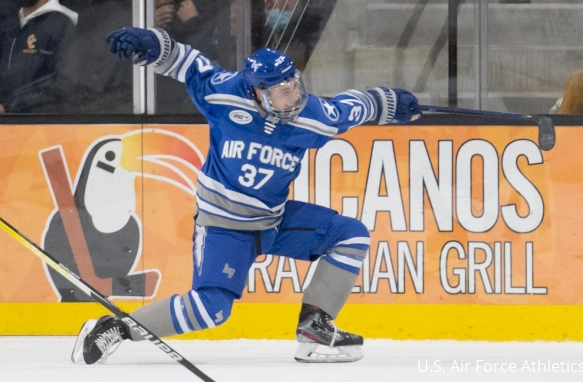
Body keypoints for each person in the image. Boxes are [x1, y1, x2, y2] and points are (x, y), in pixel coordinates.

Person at [70, 27, 420, 364]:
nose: (293, 95)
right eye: (281, 91)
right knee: (212, 309)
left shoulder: (312, 117)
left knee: (351, 234)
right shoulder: (222, 93)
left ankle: (315, 328)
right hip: (223, 226)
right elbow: (188, 62)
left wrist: (389, 102)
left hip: (273, 220)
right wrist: (153, 44)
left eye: (293, 84)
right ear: (257, 92)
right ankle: (118, 328)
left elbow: (352, 108)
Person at [0, 0, 77, 114]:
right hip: (1, 117)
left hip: (40, 122)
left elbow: (63, 82)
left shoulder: (62, 24)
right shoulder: (8, 21)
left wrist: (11, 106)